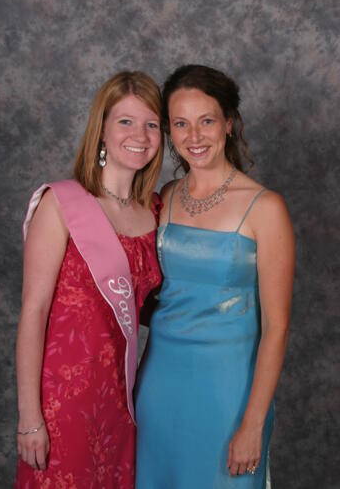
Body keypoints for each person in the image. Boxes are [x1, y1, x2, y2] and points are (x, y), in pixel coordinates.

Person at [135, 65, 295, 488]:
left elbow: (277, 328)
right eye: (181, 124)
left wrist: (253, 423)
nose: (194, 136)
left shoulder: (265, 208)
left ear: (229, 122)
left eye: (206, 121)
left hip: (229, 393)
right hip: (160, 385)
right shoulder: (166, 198)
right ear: (169, 130)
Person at [14, 71, 164, 489]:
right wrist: (30, 418)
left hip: (123, 400)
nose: (140, 135)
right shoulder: (60, 204)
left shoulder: (155, 211)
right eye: (126, 122)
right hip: (64, 401)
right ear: (101, 130)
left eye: (152, 124)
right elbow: (33, 312)